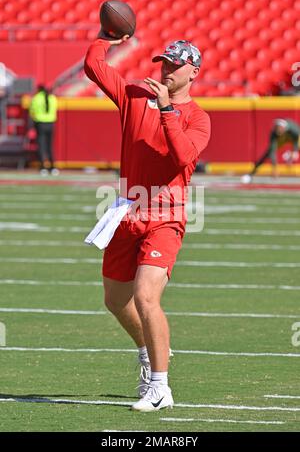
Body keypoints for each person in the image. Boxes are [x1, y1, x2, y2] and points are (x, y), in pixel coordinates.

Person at [84, 34, 211, 412]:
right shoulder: (136, 96)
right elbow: (94, 66)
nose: (167, 69)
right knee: (114, 300)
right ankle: (148, 350)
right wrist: (104, 37)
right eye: (164, 62)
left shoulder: (198, 117)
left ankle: (160, 388)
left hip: (165, 215)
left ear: (194, 72)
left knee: (145, 296)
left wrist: (167, 109)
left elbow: (182, 156)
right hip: (126, 211)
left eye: (175, 65)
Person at [241, 118, 300, 183]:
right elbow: (272, 151)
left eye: (280, 128)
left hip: (294, 139)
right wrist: (274, 168)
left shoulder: (293, 129)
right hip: (283, 139)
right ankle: (251, 174)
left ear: (284, 128)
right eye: (277, 128)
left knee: (295, 153)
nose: (278, 130)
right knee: (267, 154)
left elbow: (297, 139)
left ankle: (290, 155)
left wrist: (294, 151)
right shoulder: (274, 133)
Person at [29, 84, 59, 176]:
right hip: (51, 123)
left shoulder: (36, 98)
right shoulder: (53, 98)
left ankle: (43, 167)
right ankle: (53, 167)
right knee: (49, 146)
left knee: (41, 146)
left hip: (40, 123)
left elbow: (32, 111)